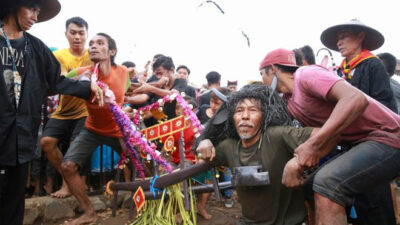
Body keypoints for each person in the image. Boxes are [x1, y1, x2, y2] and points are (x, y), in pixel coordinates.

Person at [259, 48, 400, 225]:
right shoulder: (289, 101)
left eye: (261, 73)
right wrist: (301, 161)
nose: (262, 80)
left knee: (327, 184)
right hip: (361, 144)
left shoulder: (306, 75)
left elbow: (356, 99)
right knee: (310, 188)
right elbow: (334, 135)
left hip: (388, 136)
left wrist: (312, 147)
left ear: (272, 69)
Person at [0, 1, 104, 224]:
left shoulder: (36, 48)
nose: (35, 16)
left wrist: (89, 88)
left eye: (38, 11)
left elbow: (58, 82)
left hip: (22, 134)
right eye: (31, 8)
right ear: (13, 6)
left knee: (14, 200)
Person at [196, 84, 326, 225]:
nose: (245, 116)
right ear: (232, 117)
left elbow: (328, 134)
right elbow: (204, 158)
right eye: (239, 111)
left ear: (264, 115)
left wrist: (298, 163)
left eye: (253, 110)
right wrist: (204, 141)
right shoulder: (229, 146)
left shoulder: (278, 135)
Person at [321, 19, 398, 224]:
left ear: (360, 37)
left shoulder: (373, 65)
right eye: (338, 38)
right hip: (350, 144)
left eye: (344, 36)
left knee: (375, 198)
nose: (339, 42)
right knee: (356, 198)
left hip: (375, 141)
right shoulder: (339, 71)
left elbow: (385, 105)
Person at [61, 33, 130, 225]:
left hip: (118, 131)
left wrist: (131, 106)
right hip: (91, 130)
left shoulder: (124, 72)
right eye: (91, 44)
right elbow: (60, 80)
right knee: (67, 166)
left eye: (100, 43)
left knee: (143, 162)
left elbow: (130, 92)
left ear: (112, 51)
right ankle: (89, 212)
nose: (93, 46)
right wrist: (87, 80)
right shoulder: (82, 71)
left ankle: (156, 202)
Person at [40, 16, 92, 199]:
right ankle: (71, 179)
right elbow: (61, 80)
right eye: (73, 33)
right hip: (63, 110)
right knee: (46, 142)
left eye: (81, 33)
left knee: (74, 146)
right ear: (66, 34)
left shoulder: (92, 55)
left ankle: (67, 186)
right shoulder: (59, 55)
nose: (77, 37)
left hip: (86, 110)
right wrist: (82, 77)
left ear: (87, 35)